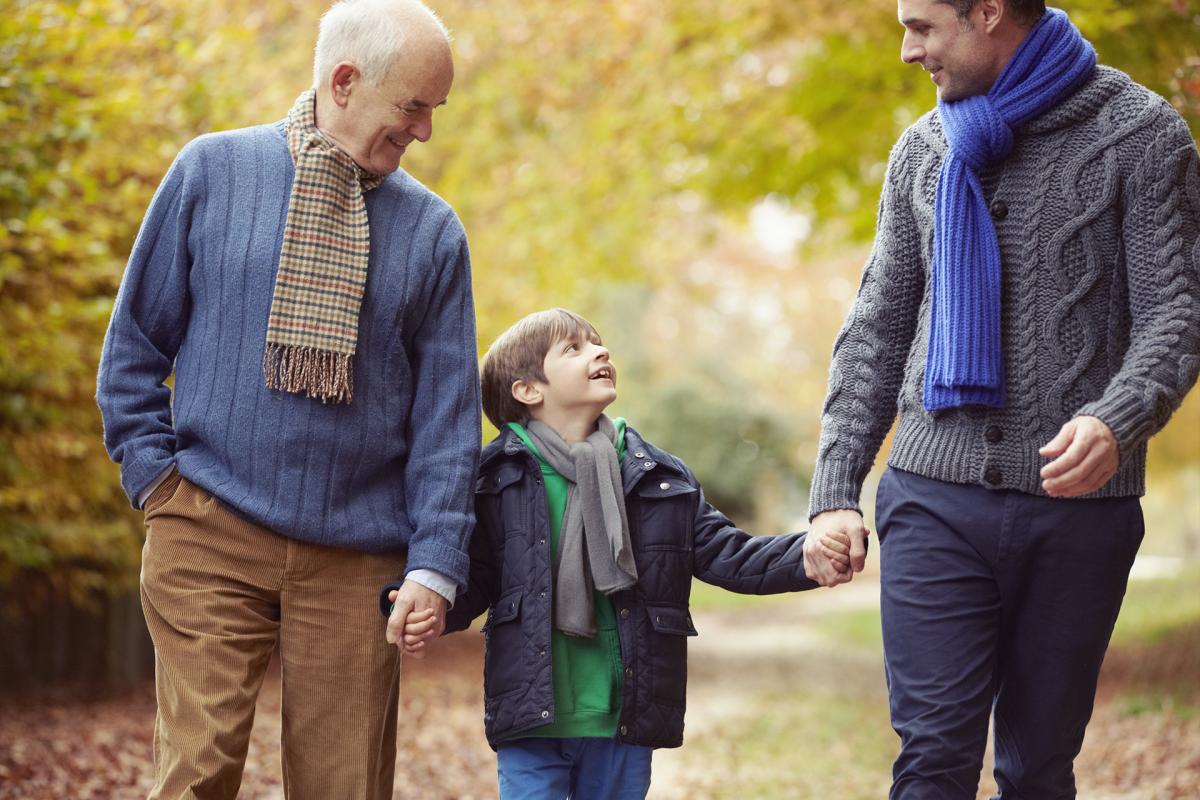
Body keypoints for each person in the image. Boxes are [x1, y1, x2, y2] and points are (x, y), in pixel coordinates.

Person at [804, 0, 1200, 797]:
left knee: (1037, 767)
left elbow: (1177, 309)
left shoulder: (1143, 133)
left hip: (1079, 511)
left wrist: (1116, 419)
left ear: (987, 12)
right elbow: (877, 328)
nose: (907, 51)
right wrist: (835, 492)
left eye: (922, 27)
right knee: (933, 759)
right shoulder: (922, 148)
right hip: (933, 498)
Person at [95, 1, 479, 797]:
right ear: (344, 81)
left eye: (435, 110)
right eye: (414, 106)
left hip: (357, 559)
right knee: (196, 773)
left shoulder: (434, 233)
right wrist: (158, 484)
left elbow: (447, 424)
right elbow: (133, 348)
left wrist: (435, 564)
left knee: (344, 785)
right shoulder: (211, 172)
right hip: (209, 530)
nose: (424, 131)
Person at [384, 308, 831, 799]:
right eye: (574, 348)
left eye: (597, 342)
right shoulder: (494, 480)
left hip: (623, 716)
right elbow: (474, 576)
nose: (600, 352)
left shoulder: (656, 475)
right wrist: (428, 607)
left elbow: (729, 554)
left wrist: (808, 554)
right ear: (528, 390)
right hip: (532, 717)